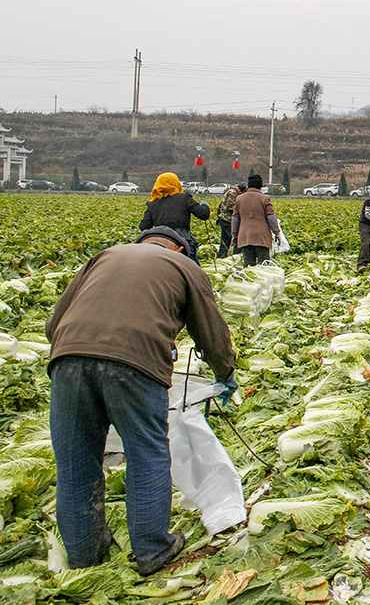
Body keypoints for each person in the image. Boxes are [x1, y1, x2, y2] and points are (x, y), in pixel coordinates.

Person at [45, 226, 236, 576]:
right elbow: (210, 331)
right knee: (146, 453)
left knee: (76, 461)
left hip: (68, 360)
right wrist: (224, 372)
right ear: (180, 248)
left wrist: (76, 350)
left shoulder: (107, 255)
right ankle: (152, 549)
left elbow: (54, 321)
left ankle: (84, 554)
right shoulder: (184, 267)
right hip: (135, 364)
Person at [138, 172, 211, 263]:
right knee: (193, 272)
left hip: (160, 244)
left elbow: (144, 226)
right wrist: (204, 206)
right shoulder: (184, 198)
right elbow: (203, 214)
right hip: (183, 241)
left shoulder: (153, 203)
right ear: (175, 184)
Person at [232, 174, 280, 267]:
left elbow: (235, 218)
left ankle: (250, 280)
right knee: (264, 264)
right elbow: (271, 217)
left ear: (248, 186)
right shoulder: (265, 199)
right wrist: (277, 232)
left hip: (245, 236)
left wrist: (234, 234)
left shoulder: (239, 199)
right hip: (262, 237)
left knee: (248, 264)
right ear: (260, 187)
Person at [216, 184, 246, 259]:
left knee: (225, 240)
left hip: (224, 218)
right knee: (234, 239)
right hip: (227, 220)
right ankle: (236, 256)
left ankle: (221, 256)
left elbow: (220, 205)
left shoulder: (231, 192)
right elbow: (230, 206)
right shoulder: (233, 193)